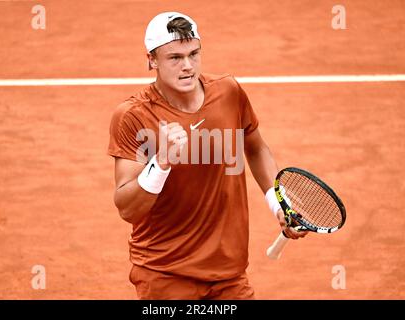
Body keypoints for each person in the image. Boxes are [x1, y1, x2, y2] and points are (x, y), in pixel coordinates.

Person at [107, 11, 307, 300]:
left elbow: (255, 146)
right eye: (175, 58)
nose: (188, 66)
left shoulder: (228, 92)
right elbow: (127, 209)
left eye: (194, 54)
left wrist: (278, 203)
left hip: (229, 272)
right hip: (165, 272)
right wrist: (161, 163)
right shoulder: (133, 117)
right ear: (152, 60)